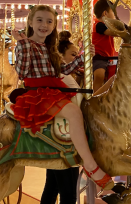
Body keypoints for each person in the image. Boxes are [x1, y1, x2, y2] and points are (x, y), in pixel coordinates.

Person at [12, 5, 113, 191]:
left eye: (49, 21)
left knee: (86, 109)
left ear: (54, 26)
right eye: (40, 20)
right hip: (38, 94)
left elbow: (61, 71)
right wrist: (24, 43)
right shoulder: (25, 45)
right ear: (30, 22)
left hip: (53, 89)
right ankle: (91, 166)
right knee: (74, 113)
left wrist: (83, 58)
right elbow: (21, 72)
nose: (45, 25)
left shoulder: (48, 47)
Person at [41, 31, 81, 204]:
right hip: (64, 137)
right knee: (69, 191)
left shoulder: (64, 77)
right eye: (73, 55)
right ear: (61, 56)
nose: (75, 59)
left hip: (57, 136)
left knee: (52, 186)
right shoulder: (62, 77)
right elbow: (81, 103)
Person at [92, 0, 117, 93]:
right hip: (98, 57)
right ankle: (95, 96)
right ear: (105, 13)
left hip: (107, 58)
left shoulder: (106, 25)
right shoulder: (99, 25)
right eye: (113, 12)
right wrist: (124, 31)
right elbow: (113, 32)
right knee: (99, 76)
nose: (114, 15)